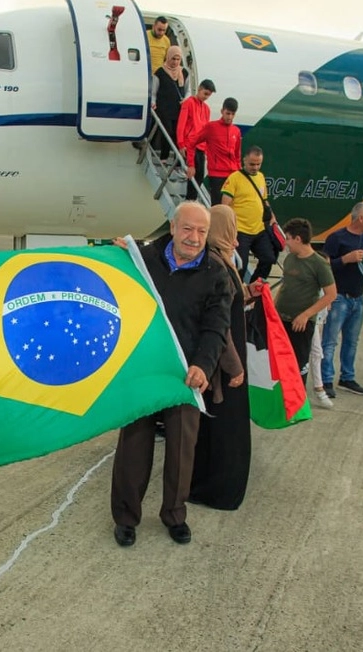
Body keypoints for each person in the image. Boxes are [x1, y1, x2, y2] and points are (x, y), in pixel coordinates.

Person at [111, 202, 232, 547]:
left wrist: (203, 365)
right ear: (174, 226)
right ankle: (125, 517)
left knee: (182, 449)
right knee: (133, 447)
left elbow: (216, 326)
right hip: (145, 369)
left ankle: (174, 515)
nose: (195, 238)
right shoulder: (143, 259)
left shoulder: (215, 272)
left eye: (202, 232)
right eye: (188, 229)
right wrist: (118, 255)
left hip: (186, 372)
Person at [190, 205, 258, 511]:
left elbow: (230, 300)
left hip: (220, 358)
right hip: (224, 362)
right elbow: (221, 325)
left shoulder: (218, 259)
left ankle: (206, 485)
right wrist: (234, 366)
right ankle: (217, 490)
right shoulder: (216, 262)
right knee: (224, 429)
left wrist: (249, 291)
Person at [320, 202, 363, 398]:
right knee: (330, 341)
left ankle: (347, 377)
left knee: (351, 341)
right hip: (339, 298)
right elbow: (324, 267)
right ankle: (325, 380)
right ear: (360, 218)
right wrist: (345, 259)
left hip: (358, 298)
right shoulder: (336, 238)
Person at [275, 218, 336, 387]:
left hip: (301, 325)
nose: (286, 243)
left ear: (298, 239)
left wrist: (305, 315)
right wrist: (273, 310)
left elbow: (331, 294)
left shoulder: (319, 264)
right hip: (282, 321)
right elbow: (284, 286)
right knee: (279, 365)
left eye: (287, 238)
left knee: (299, 366)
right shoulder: (289, 259)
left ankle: (298, 405)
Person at [221, 145, 277, 282]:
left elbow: (264, 200)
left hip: (258, 229)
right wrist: (228, 230)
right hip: (240, 230)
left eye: (259, 164)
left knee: (269, 259)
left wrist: (272, 217)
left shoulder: (261, 177)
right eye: (252, 164)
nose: (255, 167)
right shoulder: (234, 178)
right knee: (241, 266)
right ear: (244, 160)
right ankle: (236, 293)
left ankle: (253, 288)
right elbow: (224, 206)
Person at [186, 97, 242, 205]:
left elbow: (237, 155)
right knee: (217, 207)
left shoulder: (236, 131)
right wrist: (191, 165)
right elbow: (191, 143)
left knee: (232, 208)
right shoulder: (211, 127)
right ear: (222, 111)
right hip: (217, 175)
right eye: (228, 113)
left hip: (233, 175)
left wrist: (240, 173)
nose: (229, 117)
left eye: (232, 114)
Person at [176, 79, 216, 200]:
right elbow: (181, 124)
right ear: (199, 89)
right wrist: (181, 143)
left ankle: (191, 200)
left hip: (201, 147)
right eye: (205, 93)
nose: (206, 97)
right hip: (190, 144)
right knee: (192, 174)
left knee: (200, 176)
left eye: (209, 95)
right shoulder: (188, 103)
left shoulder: (207, 109)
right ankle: (189, 200)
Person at [151, 45, 188, 162]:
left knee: (178, 134)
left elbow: (188, 90)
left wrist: (186, 100)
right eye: (173, 59)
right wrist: (153, 102)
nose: (175, 62)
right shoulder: (160, 72)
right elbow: (154, 91)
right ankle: (164, 157)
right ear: (168, 57)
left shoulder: (184, 72)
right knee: (167, 132)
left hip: (179, 109)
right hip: (164, 108)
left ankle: (178, 161)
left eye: (178, 59)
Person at [309, 307, 334, 409]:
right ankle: (318, 389)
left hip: (315, 312)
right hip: (302, 310)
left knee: (316, 352)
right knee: (315, 351)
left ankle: (319, 388)